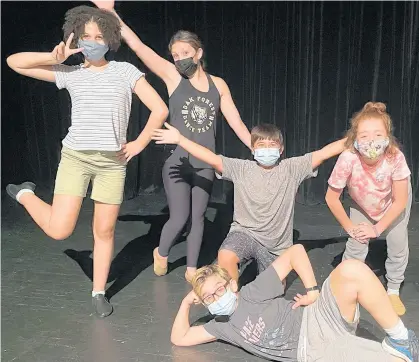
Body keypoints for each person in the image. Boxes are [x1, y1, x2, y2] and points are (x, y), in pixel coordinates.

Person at [5, 5, 169, 318]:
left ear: (110, 40)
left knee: (104, 232)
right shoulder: (71, 73)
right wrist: (54, 58)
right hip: (76, 159)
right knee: (59, 230)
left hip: (112, 163)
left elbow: (159, 109)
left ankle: (98, 292)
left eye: (99, 36)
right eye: (86, 36)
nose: (93, 41)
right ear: (76, 38)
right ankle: (25, 194)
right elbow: (14, 63)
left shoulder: (125, 72)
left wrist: (140, 142)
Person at [91, 1, 252, 282]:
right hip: (176, 162)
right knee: (179, 218)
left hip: (204, 161)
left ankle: (192, 270)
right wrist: (111, 13)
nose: (180, 59)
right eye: (176, 55)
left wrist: (257, 147)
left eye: (185, 53)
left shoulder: (219, 85)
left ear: (199, 53)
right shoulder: (172, 77)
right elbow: (139, 47)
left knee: (198, 218)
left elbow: (236, 123)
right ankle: (161, 253)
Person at [170, 243, 419, 362]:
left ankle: (401, 338)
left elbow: (295, 252)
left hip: (316, 319)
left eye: (219, 289)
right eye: (209, 297)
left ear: (230, 284)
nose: (217, 298)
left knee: (352, 269)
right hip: (312, 352)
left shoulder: (251, 292)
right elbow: (179, 338)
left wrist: (312, 290)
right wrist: (185, 303)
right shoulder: (219, 326)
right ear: (204, 303)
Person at [152, 122, 346, 283]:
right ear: (253, 149)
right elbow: (211, 157)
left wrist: (356, 138)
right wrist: (180, 139)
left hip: (276, 246)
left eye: (272, 145)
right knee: (225, 256)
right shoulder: (241, 169)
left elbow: (323, 153)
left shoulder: (292, 168)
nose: (267, 150)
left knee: (271, 293)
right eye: (261, 146)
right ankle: (233, 297)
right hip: (244, 233)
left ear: (281, 149)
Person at [324, 102, 412, 316]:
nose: (371, 141)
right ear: (354, 139)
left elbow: (400, 201)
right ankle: (345, 285)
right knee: (356, 244)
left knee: (397, 243)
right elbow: (331, 197)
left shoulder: (395, 158)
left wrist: (378, 228)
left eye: (377, 134)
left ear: (387, 137)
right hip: (362, 204)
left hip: (392, 203)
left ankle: (392, 290)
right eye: (363, 136)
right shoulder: (348, 158)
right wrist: (349, 227)